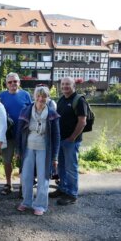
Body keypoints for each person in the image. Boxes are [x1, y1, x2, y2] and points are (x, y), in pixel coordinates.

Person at [16, 86, 60, 215]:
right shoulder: (25, 111)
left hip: (44, 150)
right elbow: (19, 132)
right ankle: (26, 202)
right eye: (38, 96)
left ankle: (40, 205)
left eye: (44, 96)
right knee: (26, 176)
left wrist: (55, 157)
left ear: (48, 98)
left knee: (43, 177)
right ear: (34, 97)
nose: (41, 99)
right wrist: (18, 151)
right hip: (28, 148)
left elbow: (57, 136)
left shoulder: (52, 113)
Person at [49, 77, 87, 205]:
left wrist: (72, 137)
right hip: (60, 140)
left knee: (71, 168)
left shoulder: (79, 100)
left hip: (71, 141)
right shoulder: (61, 100)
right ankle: (63, 188)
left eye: (67, 84)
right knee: (61, 167)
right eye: (63, 84)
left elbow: (82, 121)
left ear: (73, 85)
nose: (65, 86)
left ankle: (72, 194)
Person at [0, 72, 32, 195]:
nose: (13, 84)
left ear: (19, 83)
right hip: (8, 134)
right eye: (10, 82)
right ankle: (8, 184)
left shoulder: (26, 95)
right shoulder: (1, 96)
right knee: (7, 160)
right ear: (6, 84)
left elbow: (32, 112)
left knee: (24, 160)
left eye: (15, 81)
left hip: (24, 134)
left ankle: (23, 184)